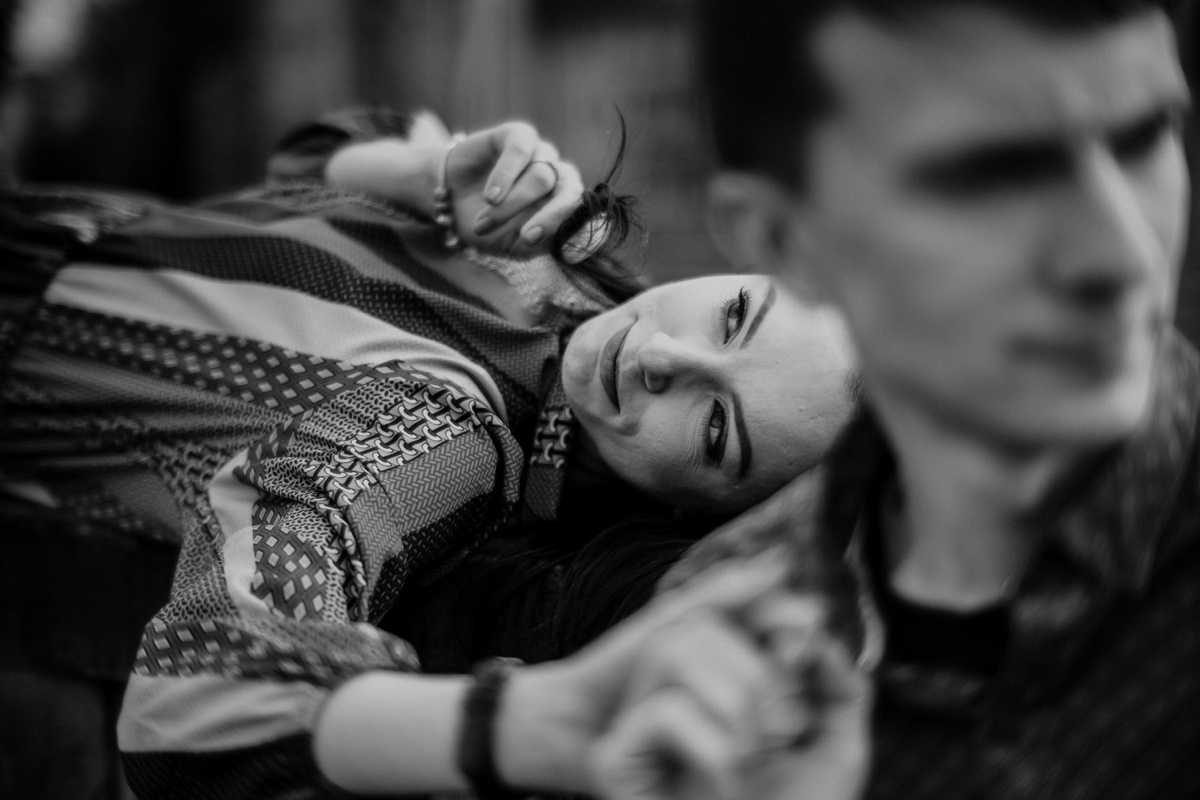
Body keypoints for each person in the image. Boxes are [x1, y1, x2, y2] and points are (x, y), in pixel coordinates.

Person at [0, 85, 862, 798]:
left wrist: (523, 727)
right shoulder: (549, 256)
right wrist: (434, 172)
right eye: (734, 315)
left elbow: (199, 694)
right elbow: (309, 157)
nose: (664, 358)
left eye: (715, 427)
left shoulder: (439, 439)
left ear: (695, 510)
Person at [657, 0, 1199, 797]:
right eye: (993, 177)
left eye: (1144, 137)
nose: (1121, 255)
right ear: (780, 239)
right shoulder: (718, 642)